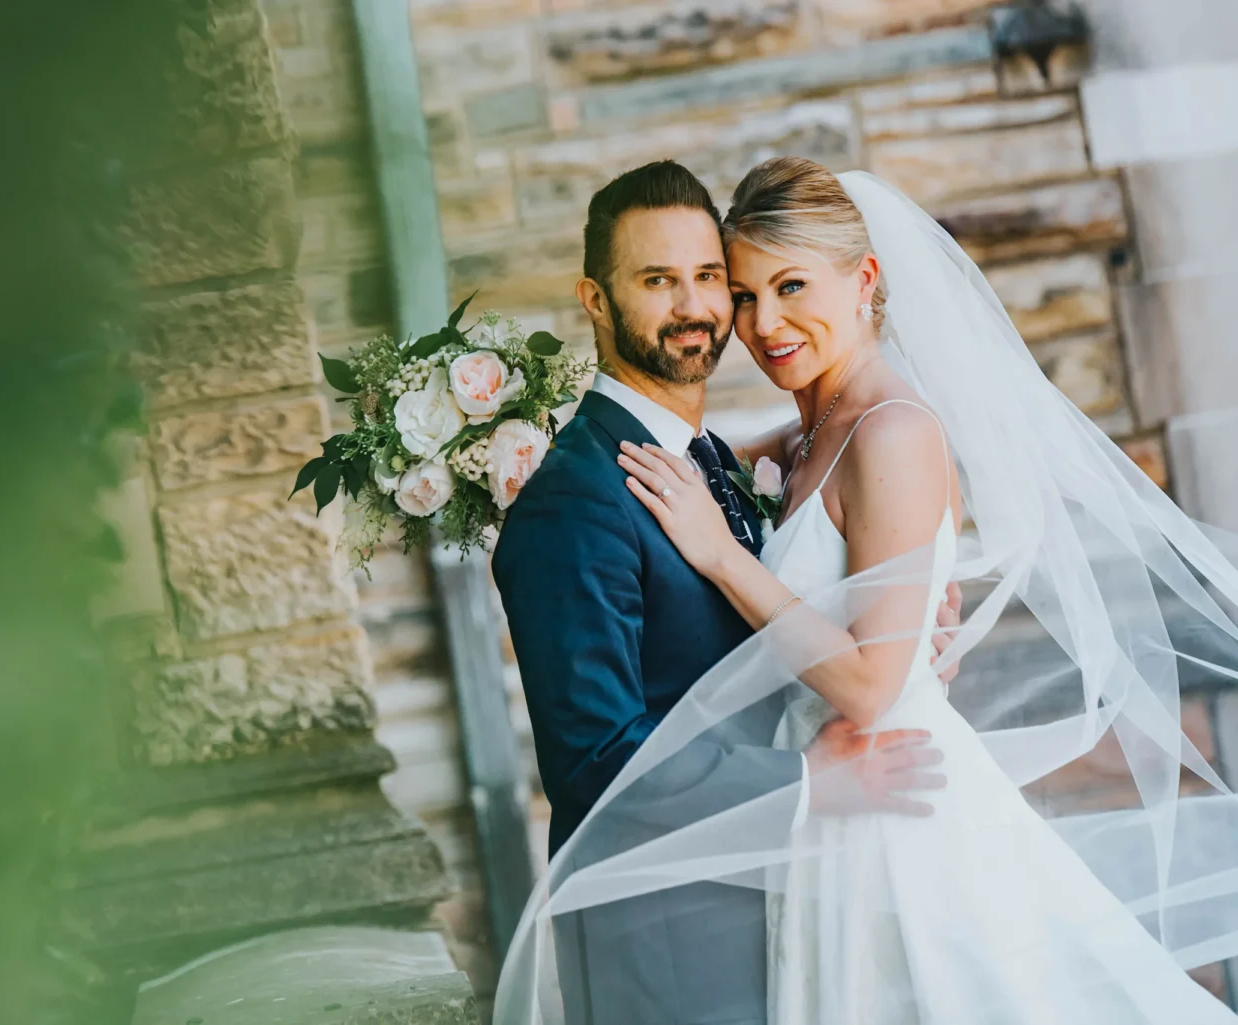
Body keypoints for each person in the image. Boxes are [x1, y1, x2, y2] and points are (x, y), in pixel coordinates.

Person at [496, 156, 1238, 1024]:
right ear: (596, 299)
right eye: (737, 292)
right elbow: (600, 753)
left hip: (889, 808)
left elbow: (866, 672)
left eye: (748, 283)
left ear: (866, 281)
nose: (751, 318)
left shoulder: (880, 433)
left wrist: (786, 578)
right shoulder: (753, 453)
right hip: (776, 851)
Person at [491, 160, 956, 1025]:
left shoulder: (717, 462)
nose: (699, 307)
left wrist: (903, 600)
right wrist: (803, 785)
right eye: (658, 280)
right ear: (595, 300)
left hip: (790, 899)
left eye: (711, 279)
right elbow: (596, 757)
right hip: (671, 939)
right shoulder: (575, 497)